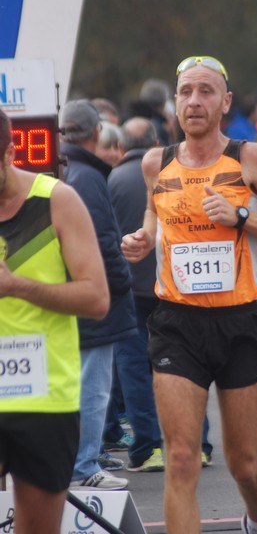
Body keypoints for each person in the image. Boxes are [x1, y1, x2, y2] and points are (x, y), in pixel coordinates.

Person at [121, 55, 257, 534]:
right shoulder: (155, 163)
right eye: (185, 92)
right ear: (174, 104)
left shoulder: (248, 158)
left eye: (206, 91)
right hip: (176, 324)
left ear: (225, 102)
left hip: (238, 322)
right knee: (181, 458)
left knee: (244, 465)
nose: (194, 101)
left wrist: (242, 217)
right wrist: (141, 239)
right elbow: (153, 217)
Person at [0, 108, 109, 534]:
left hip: (45, 397)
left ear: (10, 153)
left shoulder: (57, 200)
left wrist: (17, 287)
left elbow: (97, 298)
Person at [106, 116, 214, 471]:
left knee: (136, 368)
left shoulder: (112, 178)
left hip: (130, 289)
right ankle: (199, 444)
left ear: (121, 146)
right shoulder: (178, 170)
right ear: (156, 141)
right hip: (176, 283)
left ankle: (148, 448)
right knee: (189, 364)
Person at [60, 99, 137, 490]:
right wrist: (122, 280)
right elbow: (104, 242)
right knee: (94, 387)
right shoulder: (89, 177)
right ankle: (84, 467)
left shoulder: (68, 171)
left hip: (72, 295)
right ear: (94, 134)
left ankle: (79, 463)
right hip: (96, 300)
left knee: (81, 385)